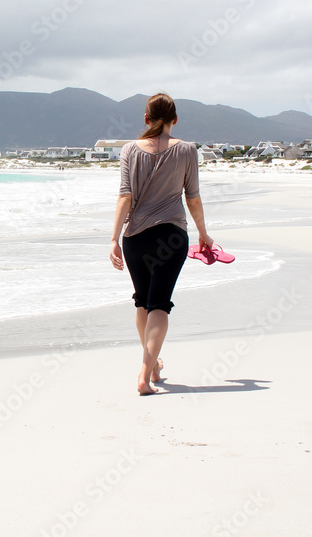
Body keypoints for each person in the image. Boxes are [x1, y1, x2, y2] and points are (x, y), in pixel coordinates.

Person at [109, 92, 213, 395]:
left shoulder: (129, 149)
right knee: (159, 305)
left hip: (135, 239)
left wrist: (114, 238)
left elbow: (125, 196)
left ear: (145, 119)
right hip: (170, 235)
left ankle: (153, 365)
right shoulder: (187, 150)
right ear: (175, 119)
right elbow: (192, 197)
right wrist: (204, 234)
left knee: (143, 301)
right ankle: (144, 373)